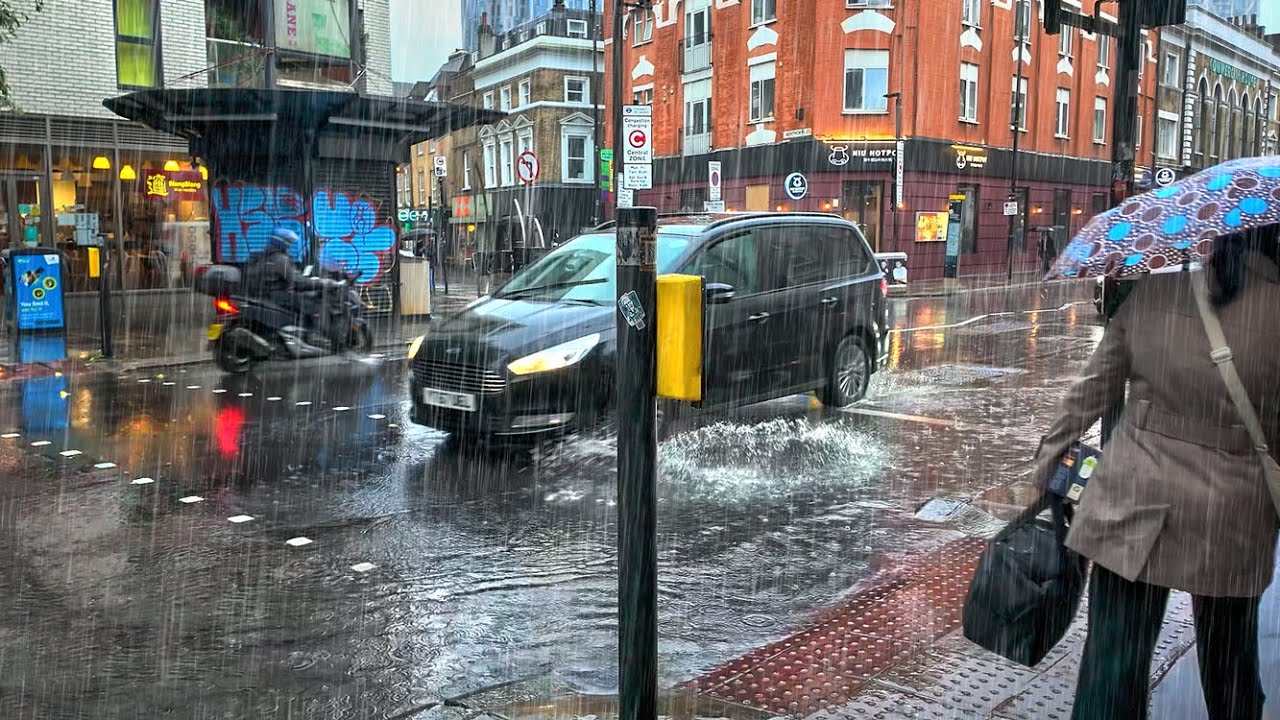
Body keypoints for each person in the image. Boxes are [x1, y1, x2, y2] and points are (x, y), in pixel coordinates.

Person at [1031, 223, 1280, 720]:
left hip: (1133, 500)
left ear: (1220, 237)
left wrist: (1048, 466)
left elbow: (1093, 389)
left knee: (1112, 664)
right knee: (1230, 665)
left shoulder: (1156, 291)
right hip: (1232, 516)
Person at [243, 227, 326, 329]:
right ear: (282, 243)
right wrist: (323, 283)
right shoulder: (280, 259)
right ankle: (313, 333)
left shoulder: (264, 256)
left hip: (264, 294)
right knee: (314, 305)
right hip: (277, 295)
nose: (290, 245)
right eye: (288, 243)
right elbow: (297, 281)